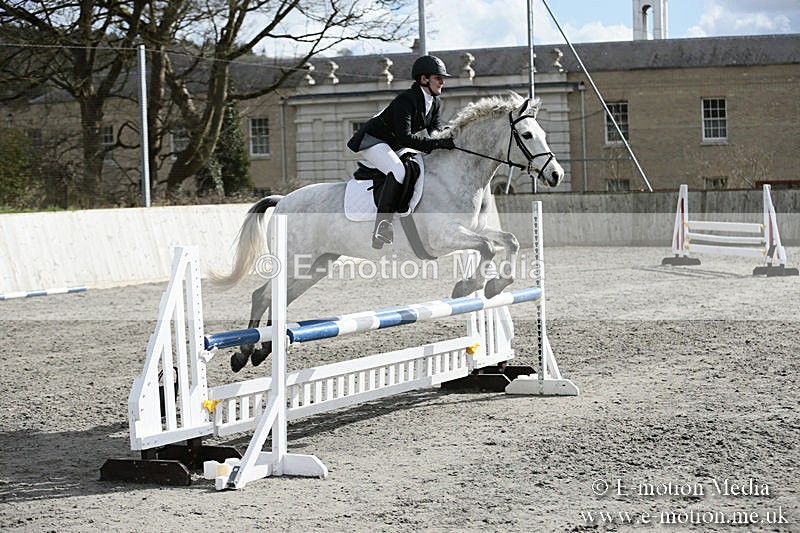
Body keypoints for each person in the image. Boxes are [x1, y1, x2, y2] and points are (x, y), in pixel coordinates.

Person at [347, 55, 456, 249]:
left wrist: (448, 140)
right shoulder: (406, 99)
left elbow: (435, 131)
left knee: (416, 165)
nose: (443, 82)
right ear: (424, 79)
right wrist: (437, 144)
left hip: (394, 143)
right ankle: (382, 226)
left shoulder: (435, 102)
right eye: (438, 78)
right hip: (374, 140)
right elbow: (406, 138)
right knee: (399, 171)